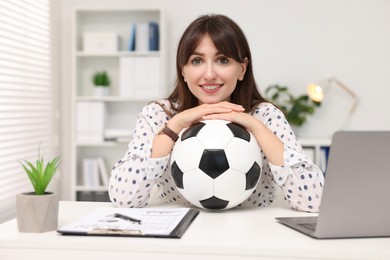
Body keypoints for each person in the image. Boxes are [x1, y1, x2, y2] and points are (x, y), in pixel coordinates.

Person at [108, 14, 324, 212]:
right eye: (197, 61)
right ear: (183, 70)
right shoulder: (159, 115)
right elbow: (123, 198)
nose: (209, 74)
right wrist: (176, 125)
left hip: (252, 238)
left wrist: (256, 128)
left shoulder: (265, 116)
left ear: (242, 69)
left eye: (223, 60)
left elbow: (313, 201)